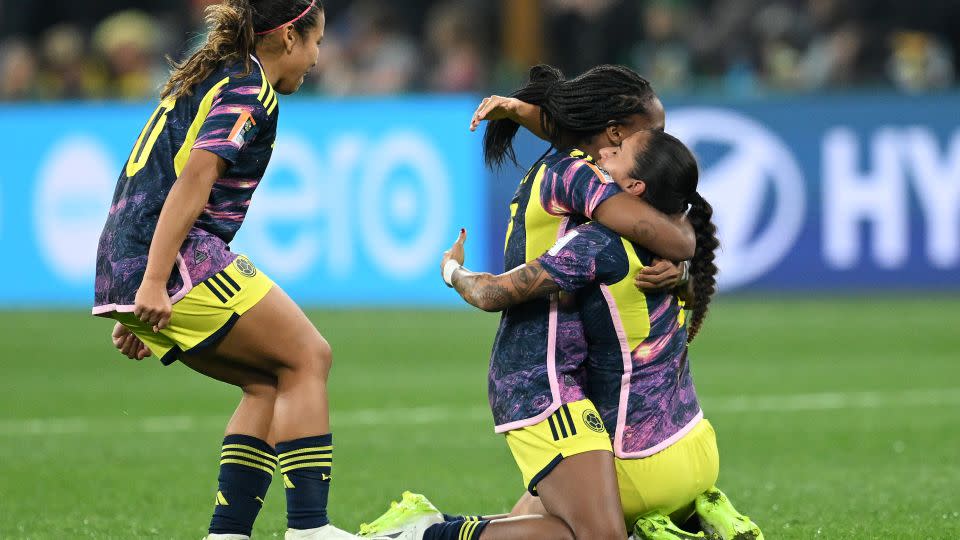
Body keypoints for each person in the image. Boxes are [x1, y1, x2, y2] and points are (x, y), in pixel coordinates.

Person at [359, 64, 695, 540]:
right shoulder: (580, 175)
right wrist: (683, 257)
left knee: (559, 525)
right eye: (654, 131)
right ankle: (422, 536)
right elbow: (661, 229)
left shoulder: (576, 162)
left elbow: (657, 209)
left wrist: (523, 112)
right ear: (615, 133)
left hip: (570, 371)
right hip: (543, 376)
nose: (663, 141)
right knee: (597, 536)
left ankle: (427, 527)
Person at [94, 1, 358, 539]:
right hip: (174, 255)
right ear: (288, 37)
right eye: (315, 43)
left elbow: (150, 176)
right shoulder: (247, 86)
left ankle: (227, 533)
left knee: (268, 380)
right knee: (309, 357)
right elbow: (194, 178)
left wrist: (138, 286)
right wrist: (152, 280)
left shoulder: (214, 73)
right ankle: (311, 529)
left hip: (135, 254)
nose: (315, 58)